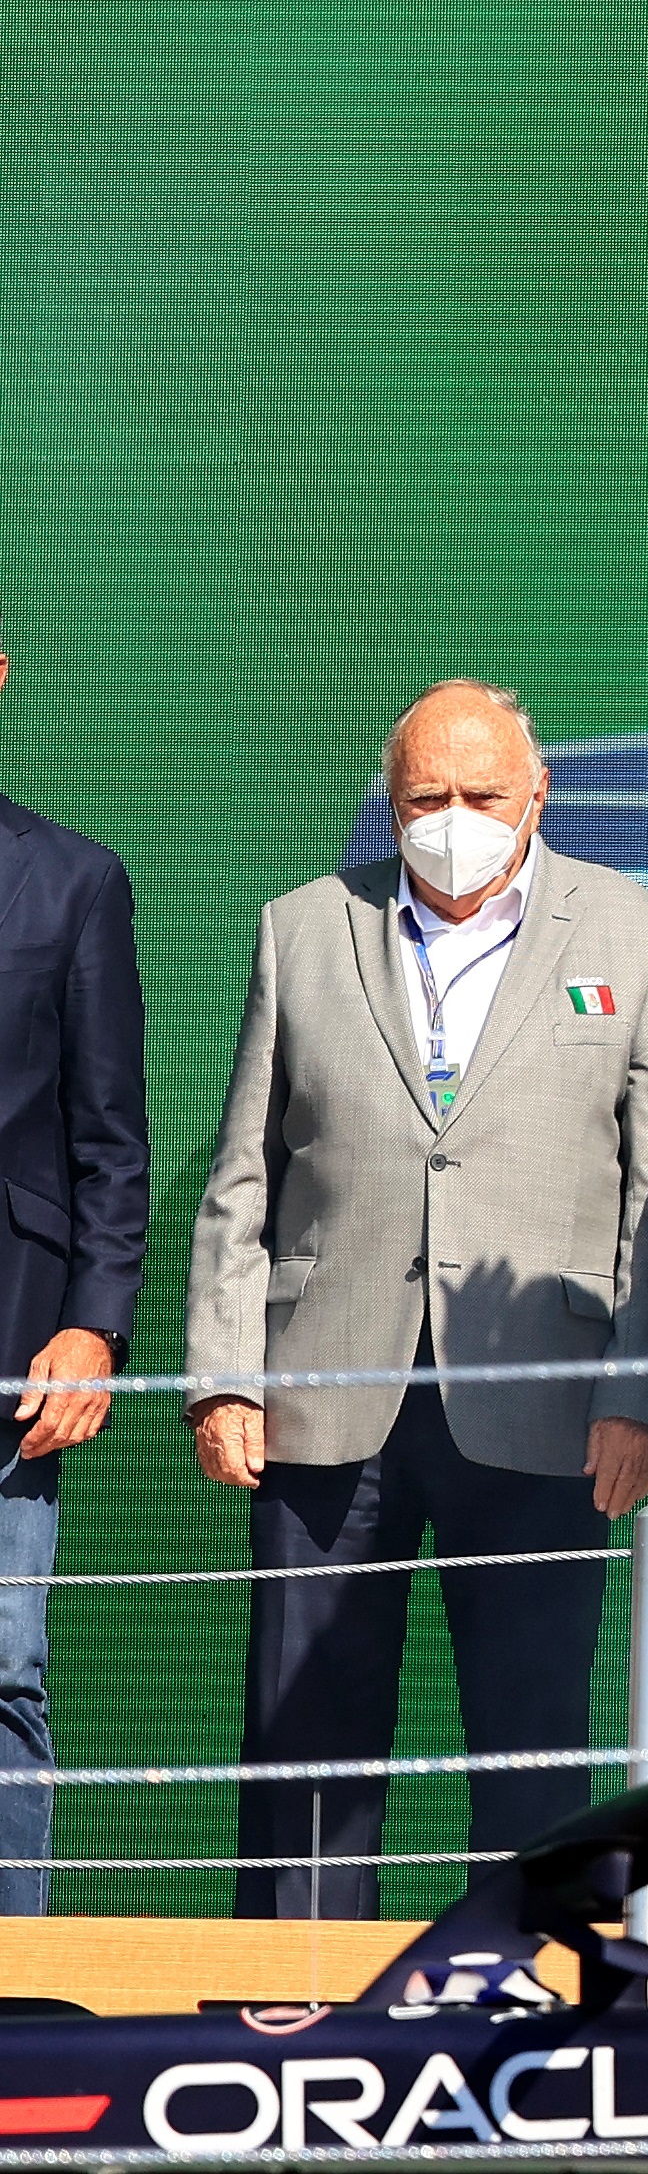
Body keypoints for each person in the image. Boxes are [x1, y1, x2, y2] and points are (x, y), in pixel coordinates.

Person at [183, 681, 648, 1915]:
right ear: (391, 801)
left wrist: (642, 1393)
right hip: (321, 1397)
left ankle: (526, 1993)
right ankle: (293, 2005)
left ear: (538, 795)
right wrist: (224, 1377)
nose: (453, 819)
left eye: (482, 794)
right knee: (303, 1741)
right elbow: (244, 1173)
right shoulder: (303, 928)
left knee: (531, 1739)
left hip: (543, 1401)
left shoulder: (637, 937)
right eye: (426, 797)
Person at [0, 604, 150, 1916]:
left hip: (11, 1354)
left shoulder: (73, 880)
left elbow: (109, 1138)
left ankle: (18, 1981)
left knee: (1, 1673)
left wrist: (93, 1324)